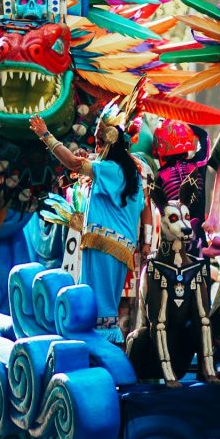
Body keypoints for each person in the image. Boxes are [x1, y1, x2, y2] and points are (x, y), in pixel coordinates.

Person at [30, 86, 144, 341]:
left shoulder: (111, 169)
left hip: (106, 245)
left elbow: (71, 163)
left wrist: (45, 135)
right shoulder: (126, 170)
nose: (96, 143)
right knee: (99, 307)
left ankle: (106, 358)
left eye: (99, 139)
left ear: (110, 140)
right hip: (111, 245)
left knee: (101, 312)